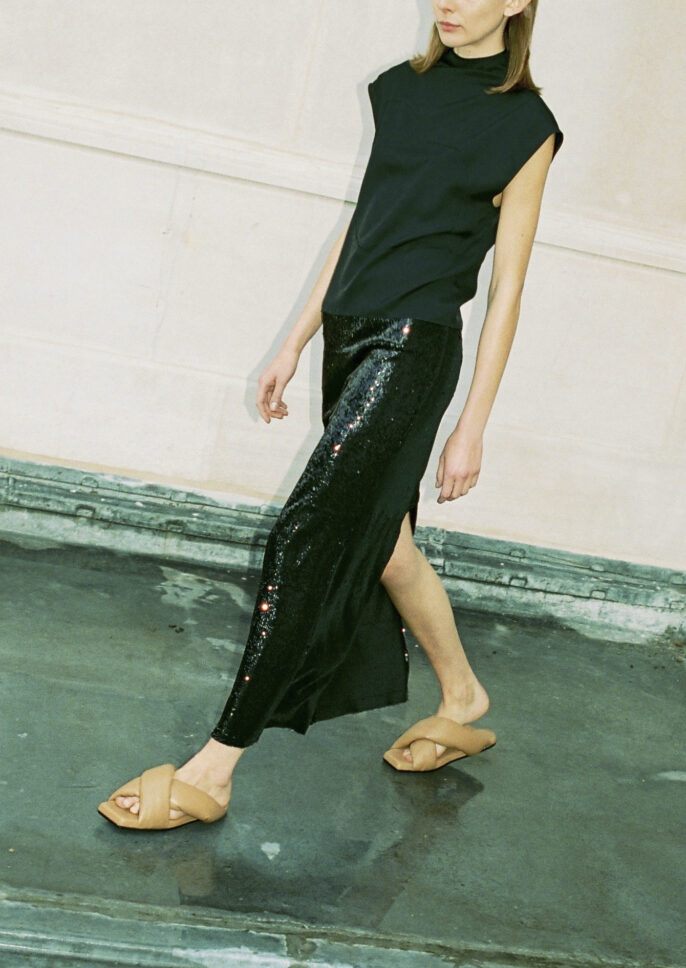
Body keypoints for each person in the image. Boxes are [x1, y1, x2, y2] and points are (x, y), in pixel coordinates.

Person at [98, 0, 564, 830]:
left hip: (412, 350)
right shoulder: (400, 89)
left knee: (305, 532)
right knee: (384, 544)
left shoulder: (529, 127)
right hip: (350, 335)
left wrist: (473, 424)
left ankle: (216, 768)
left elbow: (509, 291)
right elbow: (364, 225)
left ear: (518, 2)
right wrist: (296, 339)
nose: (447, 1)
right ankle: (463, 693)